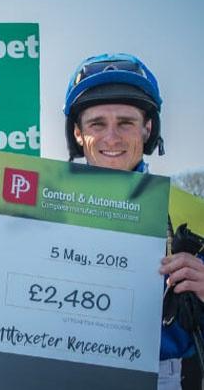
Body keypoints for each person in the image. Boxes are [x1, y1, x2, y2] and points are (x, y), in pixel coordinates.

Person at [63, 52, 204, 390]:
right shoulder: (45, 206)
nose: (111, 137)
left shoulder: (194, 214)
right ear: (79, 134)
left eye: (125, 122)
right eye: (97, 124)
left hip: (164, 377)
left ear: (148, 128)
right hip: (64, 373)